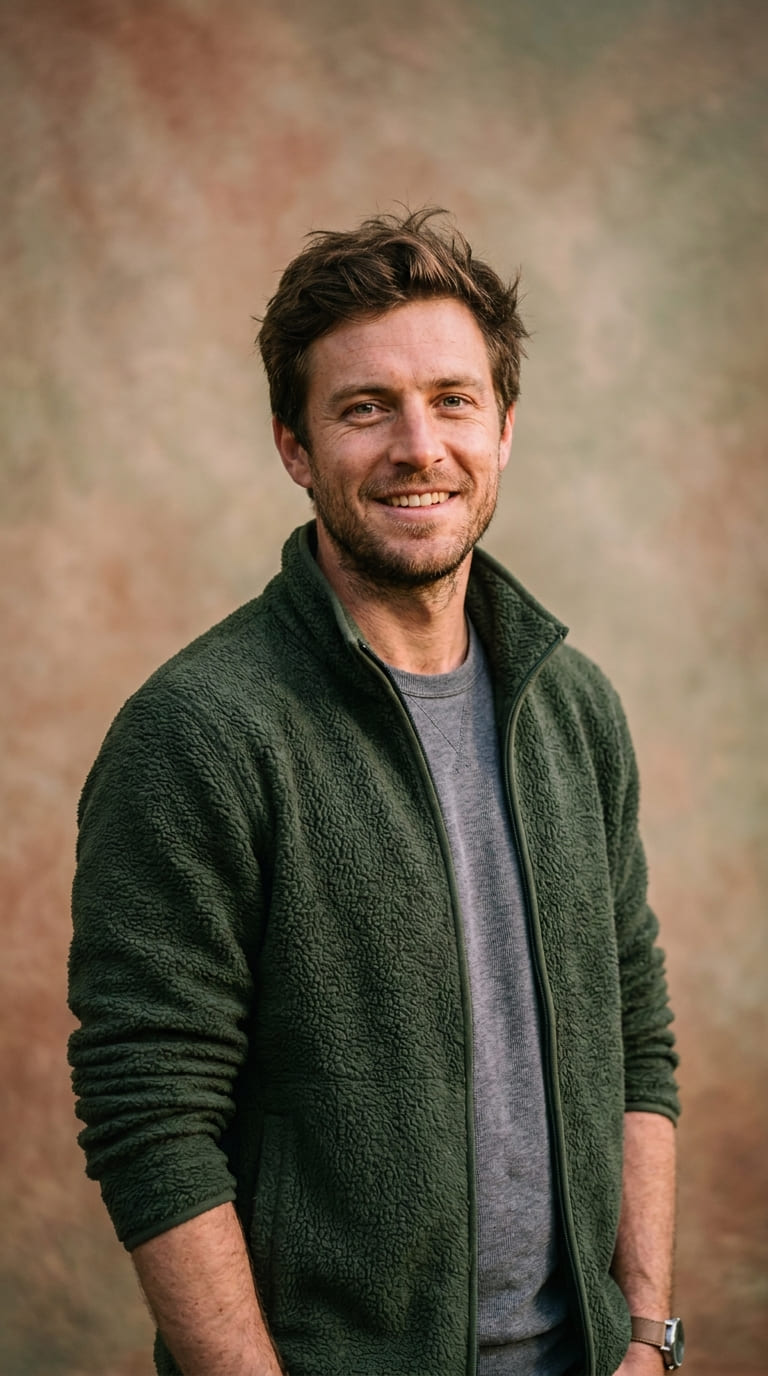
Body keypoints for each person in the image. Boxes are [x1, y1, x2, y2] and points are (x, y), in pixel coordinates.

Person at [68, 209, 682, 1376]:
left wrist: (647, 1334)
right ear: (295, 446)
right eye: (364, 407)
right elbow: (151, 1112)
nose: (418, 445)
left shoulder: (575, 707)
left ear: (504, 427)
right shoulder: (197, 730)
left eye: (452, 399)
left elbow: (639, 1040)